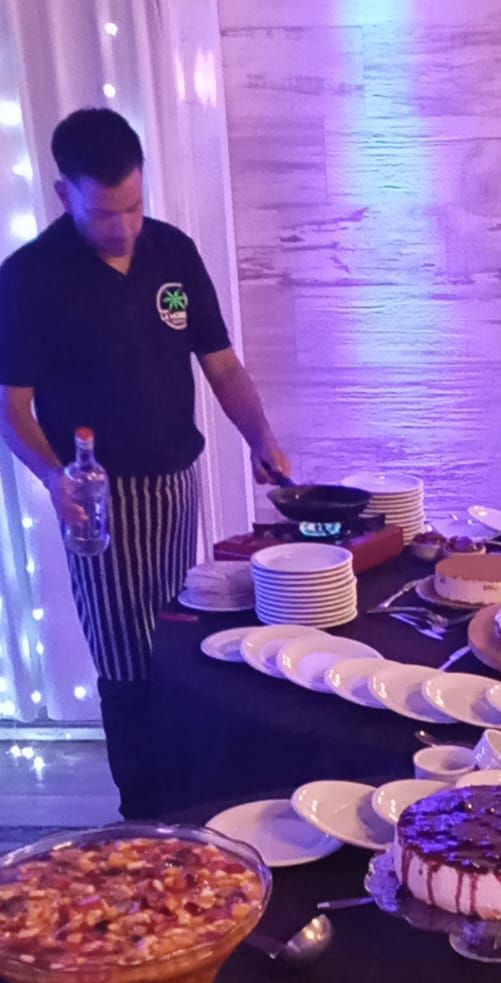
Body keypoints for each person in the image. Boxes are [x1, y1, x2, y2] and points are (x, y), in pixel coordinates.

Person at [0, 108, 289, 817]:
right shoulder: (30, 277)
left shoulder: (172, 253)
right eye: (105, 213)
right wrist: (52, 476)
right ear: (64, 192)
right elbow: (13, 405)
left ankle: (184, 800)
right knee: (126, 662)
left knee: (174, 643)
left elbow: (221, 365)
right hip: (97, 495)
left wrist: (261, 439)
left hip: (174, 481)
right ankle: (143, 816)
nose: (125, 228)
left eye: (134, 206)